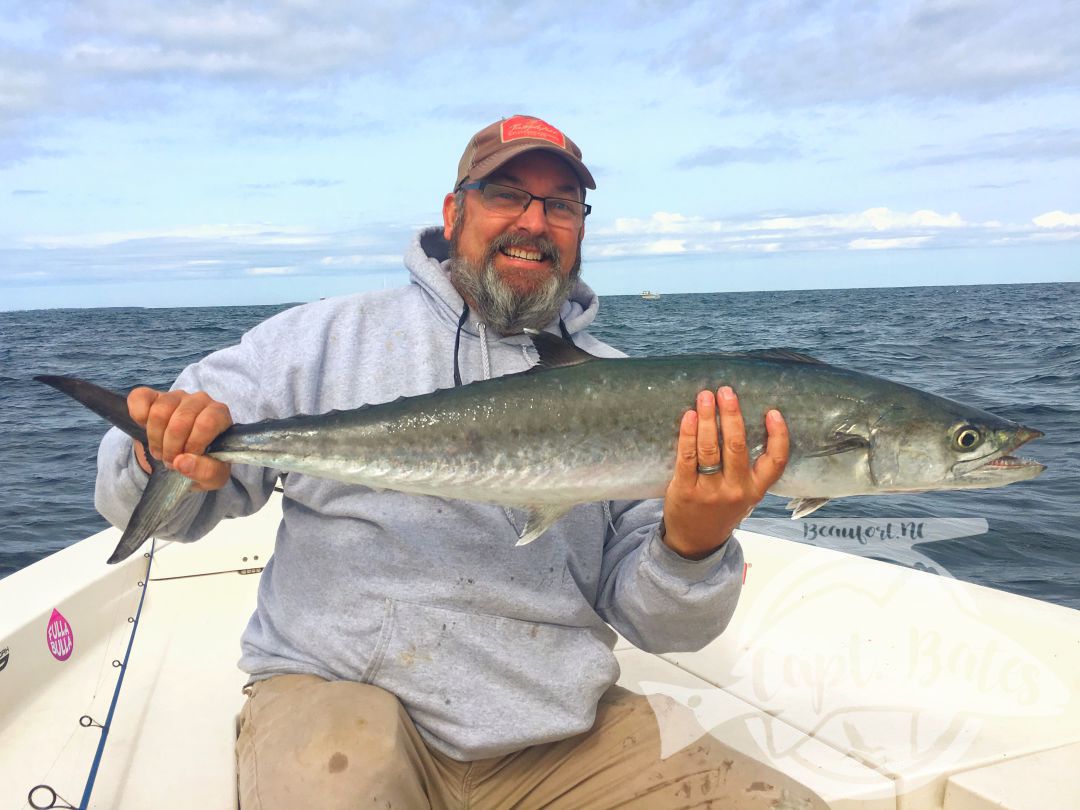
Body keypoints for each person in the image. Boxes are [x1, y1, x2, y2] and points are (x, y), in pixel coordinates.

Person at [95, 115, 791, 809]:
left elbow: (666, 629)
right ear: (454, 212)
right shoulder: (321, 339)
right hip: (341, 702)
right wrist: (156, 446)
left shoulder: (639, 394)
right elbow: (151, 509)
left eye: (561, 205)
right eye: (506, 194)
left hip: (558, 734)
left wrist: (695, 543)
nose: (535, 222)